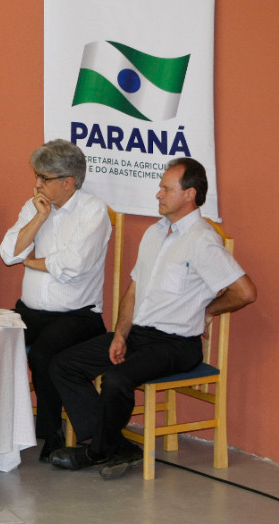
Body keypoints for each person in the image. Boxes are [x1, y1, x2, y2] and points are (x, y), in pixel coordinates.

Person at [49, 158, 257, 479]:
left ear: (189, 194)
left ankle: (97, 451)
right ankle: (116, 445)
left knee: (118, 380)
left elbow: (245, 291)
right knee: (64, 364)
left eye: (165, 188)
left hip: (176, 343)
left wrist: (208, 311)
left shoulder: (202, 240)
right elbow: (134, 290)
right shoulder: (154, 233)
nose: (158, 194)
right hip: (138, 336)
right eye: (159, 187)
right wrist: (120, 334)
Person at [0, 139, 111, 462]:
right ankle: (2, 425)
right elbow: (8, 253)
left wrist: (33, 262)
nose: (37, 184)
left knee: (46, 351)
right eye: (37, 177)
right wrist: (38, 219)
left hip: (78, 316)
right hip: (30, 311)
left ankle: (50, 433)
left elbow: (72, 266)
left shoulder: (93, 211)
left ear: (68, 182)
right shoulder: (34, 205)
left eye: (43, 178)